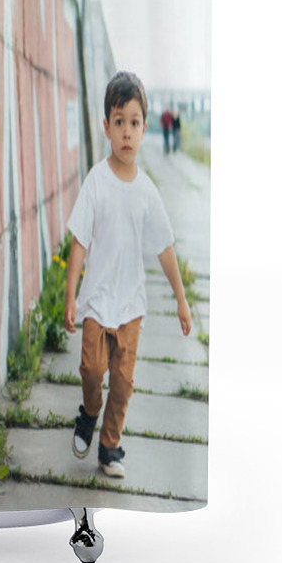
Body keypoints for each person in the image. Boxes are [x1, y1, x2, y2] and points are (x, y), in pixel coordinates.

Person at [64, 71, 192, 478]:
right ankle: (88, 411)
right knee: (93, 371)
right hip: (98, 300)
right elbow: (80, 241)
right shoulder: (96, 182)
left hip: (131, 304)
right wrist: (70, 296)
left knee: (121, 380)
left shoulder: (147, 192)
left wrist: (181, 297)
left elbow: (164, 247)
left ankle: (109, 445)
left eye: (134, 122)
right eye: (118, 121)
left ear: (145, 127)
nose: (126, 132)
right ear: (106, 127)